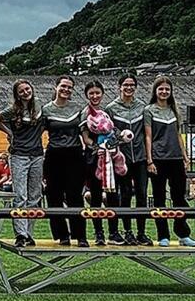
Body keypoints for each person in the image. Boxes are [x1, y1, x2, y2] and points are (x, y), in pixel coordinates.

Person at [144, 75, 195, 247]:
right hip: (158, 159)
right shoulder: (149, 110)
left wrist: (185, 156)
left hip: (175, 159)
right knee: (159, 198)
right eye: (161, 89)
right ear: (155, 91)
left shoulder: (174, 110)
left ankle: (183, 234)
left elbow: (178, 135)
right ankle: (163, 236)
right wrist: (150, 160)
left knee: (179, 198)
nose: (164, 92)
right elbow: (148, 136)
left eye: (167, 89)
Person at [106, 74, 153, 246]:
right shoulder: (111, 108)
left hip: (139, 158)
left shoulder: (143, 107)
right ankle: (127, 232)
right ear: (119, 87)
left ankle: (141, 232)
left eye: (132, 85)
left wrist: (149, 159)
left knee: (141, 195)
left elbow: (147, 132)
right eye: (125, 85)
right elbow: (107, 132)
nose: (129, 88)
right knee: (124, 195)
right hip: (121, 160)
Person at [42, 76, 88, 247]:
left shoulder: (78, 108)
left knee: (75, 196)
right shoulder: (46, 110)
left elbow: (85, 132)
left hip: (75, 154)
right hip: (54, 155)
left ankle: (80, 235)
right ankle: (62, 235)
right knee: (53, 195)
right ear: (56, 87)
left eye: (69, 87)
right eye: (63, 86)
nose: (66, 89)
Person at [0, 80, 43, 247]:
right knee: (20, 195)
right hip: (19, 155)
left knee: (35, 196)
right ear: (17, 94)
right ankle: (20, 234)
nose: (25, 92)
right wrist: (9, 133)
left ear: (32, 89)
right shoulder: (13, 110)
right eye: (21, 90)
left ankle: (30, 233)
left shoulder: (39, 106)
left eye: (27, 88)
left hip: (37, 154)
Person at [81, 80, 125, 246]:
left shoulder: (107, 112)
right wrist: (96, 147)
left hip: (111, 159)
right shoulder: (85, 112)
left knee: (113, 194)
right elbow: (85, 137)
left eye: (97, 93)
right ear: (86, 95)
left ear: (102, 93)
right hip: (93, 158)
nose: (95, 96)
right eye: (91, 93)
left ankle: (114, 232)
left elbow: (115, 133)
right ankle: (99, 232)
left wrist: (114, 145)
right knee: (96, 196)